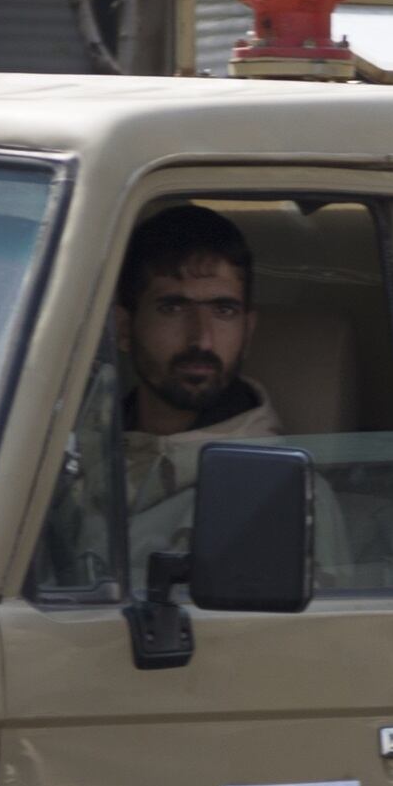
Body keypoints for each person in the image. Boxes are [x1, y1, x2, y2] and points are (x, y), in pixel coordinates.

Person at [114, 203, 294, 557]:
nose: (202, 340)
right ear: (123, 329)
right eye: (173, 308)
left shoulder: (276, 489)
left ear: (248, 330)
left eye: (223, 311)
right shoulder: (72, 461)